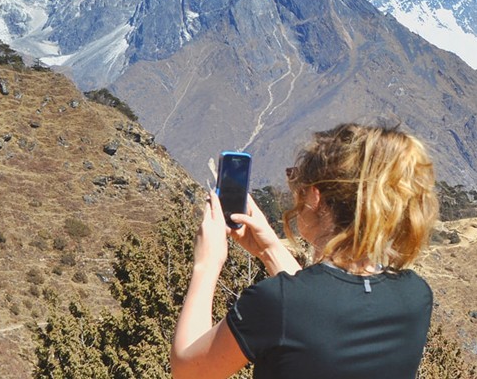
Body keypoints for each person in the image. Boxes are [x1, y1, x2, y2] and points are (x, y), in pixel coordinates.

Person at [171, 124, 440, 379]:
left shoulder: (276, 301)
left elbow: (189, 370)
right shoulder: (415, 296)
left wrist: (207, 263)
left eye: (295, 180)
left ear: (315, 196)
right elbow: (319, 314)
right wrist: (269, 250)